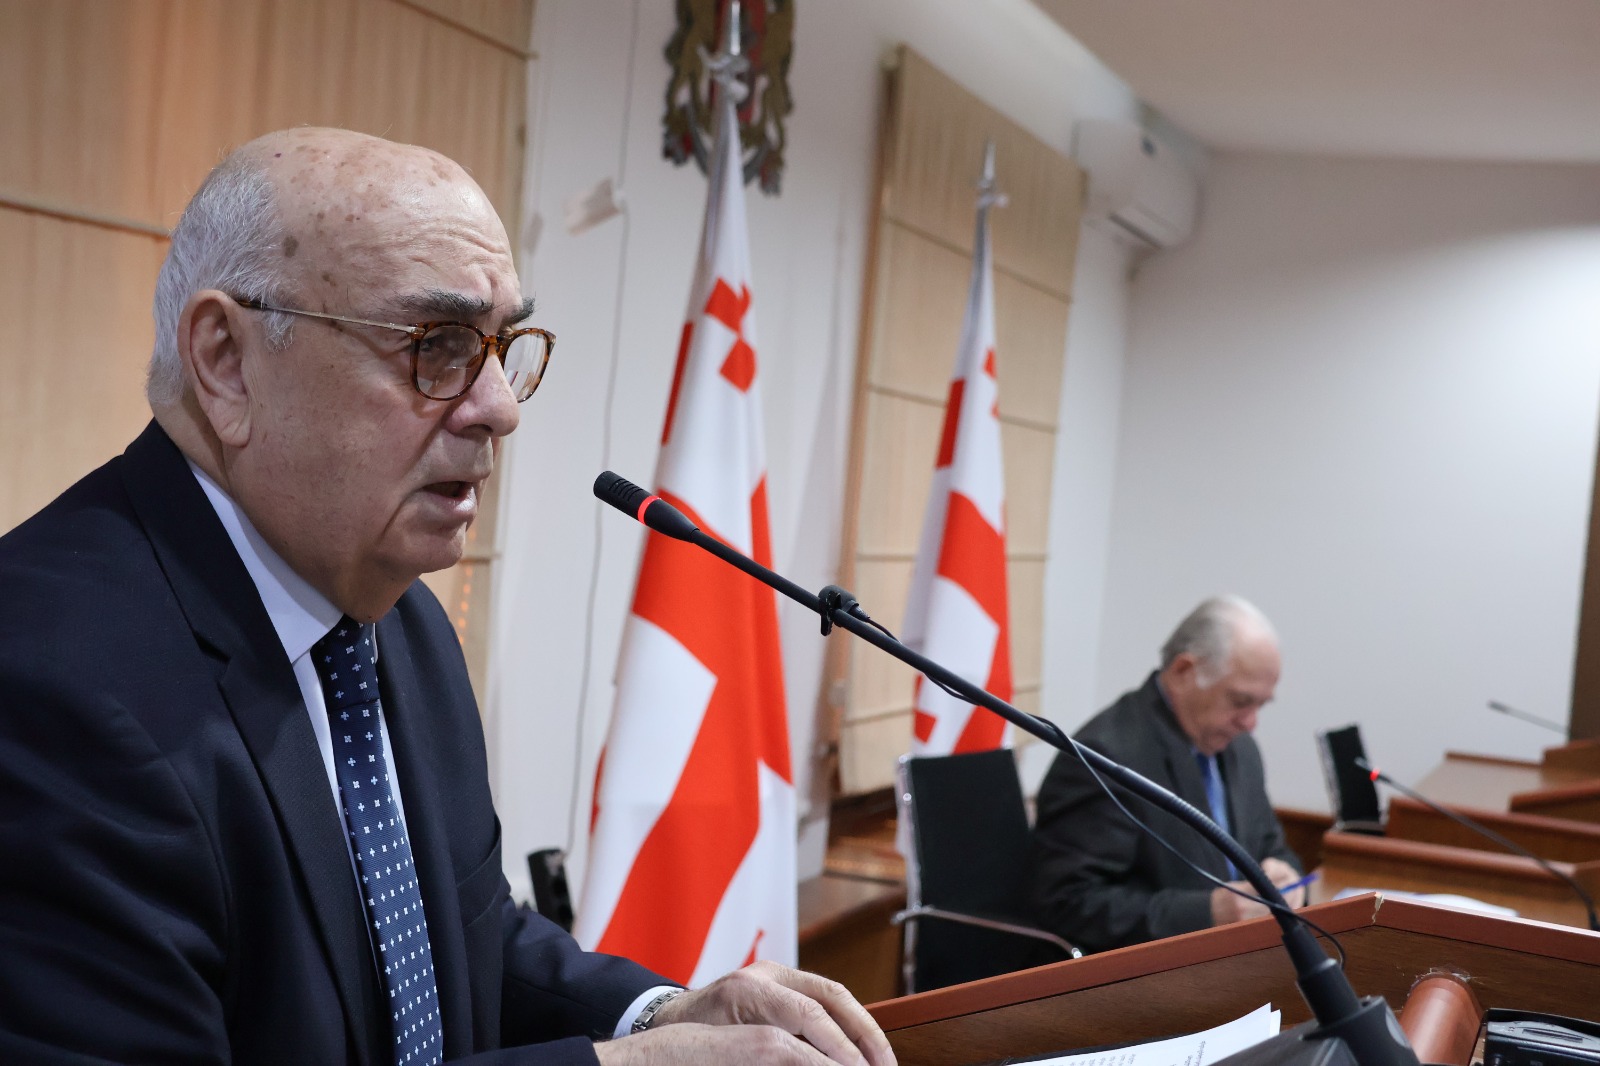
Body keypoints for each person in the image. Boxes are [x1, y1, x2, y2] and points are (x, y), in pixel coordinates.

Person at [0, 128, 895, 1066]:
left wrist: (658, 1015)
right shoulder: (49, 687)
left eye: (502, 346)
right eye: (436, 345)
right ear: (226, 361)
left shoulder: (401, 621)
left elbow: (458, 943)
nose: (500, 407)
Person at [1030, 596, 1305, 954]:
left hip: (1244, 958)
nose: (1251, 723)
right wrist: (1208, 912)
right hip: (1151, 973)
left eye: (1261, 704)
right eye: (1240, 701)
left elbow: (1271, 845)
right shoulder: (1105, 756)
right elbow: (1066, 902)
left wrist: (1286, 875)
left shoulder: (1240, 748)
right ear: (1183, 672)